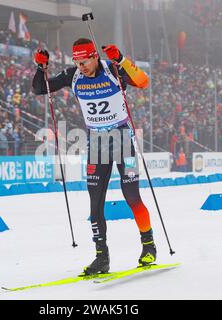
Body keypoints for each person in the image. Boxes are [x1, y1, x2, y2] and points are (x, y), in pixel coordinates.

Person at [32, 38, 156, 275]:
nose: (82, 67)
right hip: (97, 144)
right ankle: (101, 257)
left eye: (85, 61)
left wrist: (121, 59)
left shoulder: (113, 70)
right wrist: (41, 67)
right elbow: (40, 88)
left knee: (132, 197)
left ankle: (148, 245)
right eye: (77, 62)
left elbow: (143, 81)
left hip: (121, 142)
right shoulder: (73, 76)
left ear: (95, 56)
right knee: (95, 204)